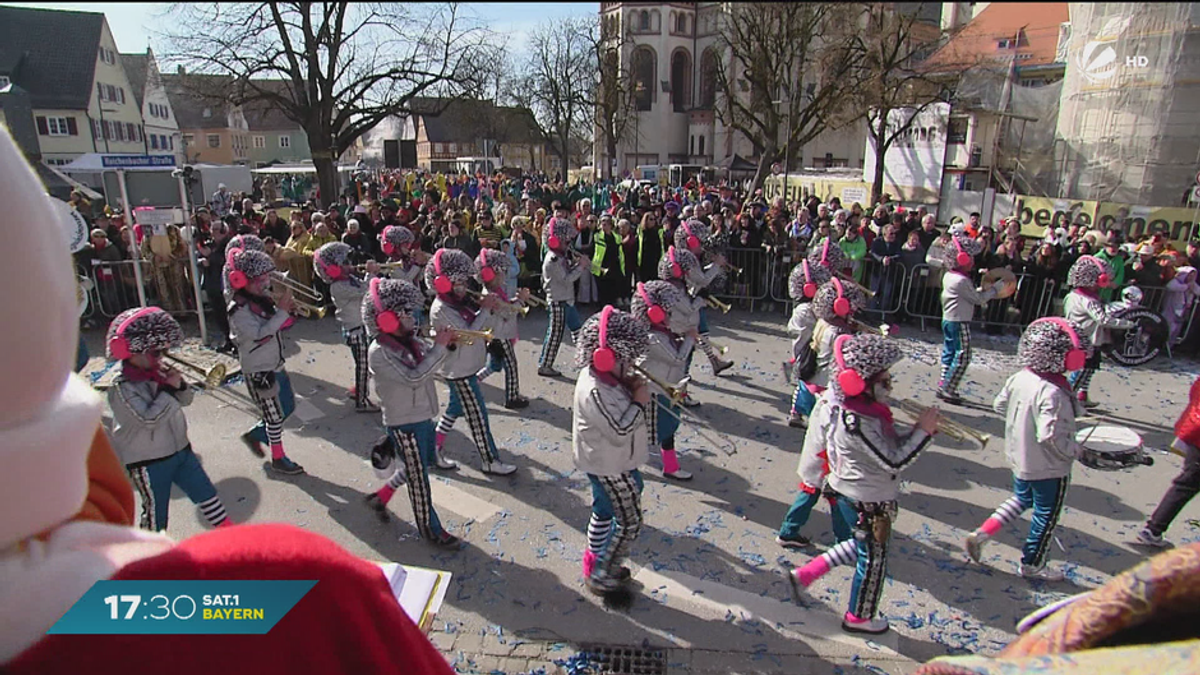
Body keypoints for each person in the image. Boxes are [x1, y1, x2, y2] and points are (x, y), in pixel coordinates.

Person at [782, 334, 938, 635]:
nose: (890, 386)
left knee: (861, 544)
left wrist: (915, 430)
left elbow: (887, 447)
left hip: (860, 490)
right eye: (885, 381)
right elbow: (894, 461)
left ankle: (805, 574)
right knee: (874, 562)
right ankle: (859, 617)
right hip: (867, 496)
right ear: (859, 383)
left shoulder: (862, 411)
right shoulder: (857, 420)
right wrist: (924, 433)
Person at [964, 318, 1089, 581]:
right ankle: (1033, 563)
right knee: (1046, 515)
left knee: (1022, 499)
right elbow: (1049, 435)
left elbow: (1000, 406)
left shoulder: (1020, 376)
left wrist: (1021, 422)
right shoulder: (1054, 391)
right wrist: (1076, 450)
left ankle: (982, 534)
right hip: (1049, 467)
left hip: (1020, 457)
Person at [105, 307, 232, 532]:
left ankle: (233, 538)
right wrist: (167, 391)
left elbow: (186, 400)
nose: (161, 357)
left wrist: (180, 385)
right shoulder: (121, 388)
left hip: (181, 451)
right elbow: (148, 420)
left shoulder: (157, 373)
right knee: (156, 515)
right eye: (155, 353)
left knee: (209, 497)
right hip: (149, 463)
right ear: (133, 353)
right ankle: (152, 557)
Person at [360, 277, 462, 550]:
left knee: (418, 467)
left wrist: (449, 344)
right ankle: (432, 530)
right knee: (420, 479)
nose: (413, 319)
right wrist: (440, 347)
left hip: (422, 416)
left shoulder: (410, 341)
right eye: (406, 313)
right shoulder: (380, 352)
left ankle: (381, 496)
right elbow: (415, 377)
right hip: (404, 423)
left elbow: (436, 364)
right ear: (387, 320)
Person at [776, 276, 867, 548]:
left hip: (822, 412)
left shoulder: (825, 325)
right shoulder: (841, 336)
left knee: (817, 487)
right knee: (831, 487)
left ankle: (792, 531)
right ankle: (841, 538)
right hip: (828, 422)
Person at [573, 306, 651, 595]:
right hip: (608, 462)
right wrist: (639, 402)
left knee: (605, 508)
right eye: (626, 359)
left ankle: (596, 559)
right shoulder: (595, 390)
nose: (631, 364)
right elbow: (618, 431)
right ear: (604, 358)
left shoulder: (608, 378)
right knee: (630, 522)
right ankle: (602, 573)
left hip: (614, 460)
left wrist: (629, 386)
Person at [426, 249, 516, 476]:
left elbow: (479, 322)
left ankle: (434, 449)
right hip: (459, 371)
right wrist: (486, 309)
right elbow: (469, 334)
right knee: (478, 419)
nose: (463, 286)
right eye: (458, 282)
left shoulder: (458, 302)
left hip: (465, 367)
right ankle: (489, 460)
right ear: (443, 283)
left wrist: (489, 308)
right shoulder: (441, 309)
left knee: (453, 410)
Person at [225, 247, 305, 475]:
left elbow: (279, 325)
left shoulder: (262, 300)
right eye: (259, 280)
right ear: (241, 281)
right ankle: (278, 458)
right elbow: (260, 334)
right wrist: (281, 312)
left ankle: (257, 434)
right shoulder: (238, 310)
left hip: (275, 363)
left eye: (265, 278)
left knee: (287, 406)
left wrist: (290, 312)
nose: (265, 283)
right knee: (274, 417)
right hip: (259, 370)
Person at [632, 280, 697, 481]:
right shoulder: (653, 338)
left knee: (666, 431)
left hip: (665, 389)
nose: (671, 316)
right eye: (667, 312)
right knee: (656, 431)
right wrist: (690, 339)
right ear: (655, 315)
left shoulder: (660, 334)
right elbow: (677, 358)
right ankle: (632, 463)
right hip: (654, 392)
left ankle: (670, 465)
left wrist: (683, 338)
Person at [937, 234, 1005, 405]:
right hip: (959, 321)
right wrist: (995, 290)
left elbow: (970, 294)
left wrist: (982, 289)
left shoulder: (950, 275)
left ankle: (943, 384)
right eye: (971, 258)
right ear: (962, 258)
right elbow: (978, 300)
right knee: (963, 356)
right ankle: (949, 388)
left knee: (950, 353)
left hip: (950, 319)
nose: (973, 261)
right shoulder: (961, 280)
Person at [314, 242, 380, 412]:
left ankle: (359, 390)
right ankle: (362, 401)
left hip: (361, 327)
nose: (349, 265)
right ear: (334, 270)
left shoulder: (349, 279)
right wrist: (371, 274)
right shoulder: (338, 287)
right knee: (363, 366)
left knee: (367, 364)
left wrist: (369, 274)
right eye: (344, 263)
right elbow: (367, 290)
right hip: (355, 331)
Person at [1063, 256, 1132, 408]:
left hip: (1080, 337)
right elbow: (1103, 320)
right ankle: (1067, 399)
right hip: (1088, 339)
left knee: (1088, 369)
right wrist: (1127, 324)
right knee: (1082, 370)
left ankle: (1081, 395)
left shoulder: (1073, 295)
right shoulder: (1089, 301)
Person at [473, 248, 531, 410]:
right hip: (501, 335)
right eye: (502, 273)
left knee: (494, 366)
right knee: (511, 365)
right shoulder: (493, 295)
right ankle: (512, 397)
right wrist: (521, 301)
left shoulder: (494, 291)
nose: (505, 276)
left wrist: (515, 300)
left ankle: (473, 382)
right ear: (493, 276)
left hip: (497, 333)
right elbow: (507, 314)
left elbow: (505, 307)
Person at [784, 258, 833, 428]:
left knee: (806, 379)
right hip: (806, 348)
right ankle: (796, 414)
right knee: (805, 379)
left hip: (807, 347)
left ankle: (797, 413)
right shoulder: (805, 310)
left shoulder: (805, 307)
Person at [538, 216, 587, 377]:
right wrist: (580, 267)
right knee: (555, 334)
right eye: (566, 241)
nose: (568, 244)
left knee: (577, 330)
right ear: (554, 241)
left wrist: (576, 263)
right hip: (558, 301)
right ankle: (545, 365)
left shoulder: (560, 256)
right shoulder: (552, 260)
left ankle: (584, 362)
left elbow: (566, 273)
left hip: (567, 299)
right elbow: (567, 279)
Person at [1163, 265, 1199, 345]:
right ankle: (1162, 344)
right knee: (1169, 326)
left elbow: (1198, 291)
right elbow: (1170, 286)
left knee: (1177, 329)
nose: (1191, 277)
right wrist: (1186, 287)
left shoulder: (1192, 284)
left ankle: (1170, 345)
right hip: (1171, 307)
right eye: (1190, 274)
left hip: (1182, 309)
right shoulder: (1176, 281)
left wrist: (1192, 286)